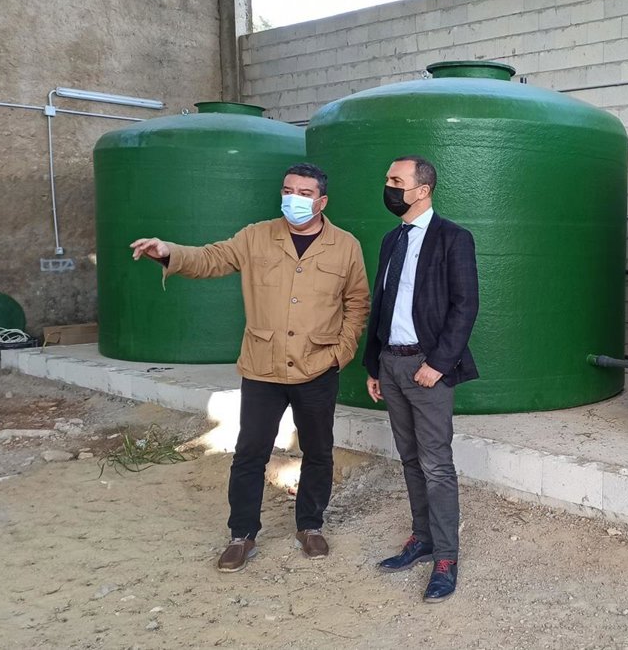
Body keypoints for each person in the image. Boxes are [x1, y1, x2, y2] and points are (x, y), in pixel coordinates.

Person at [129, 162, 370, 572]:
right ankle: (241, 535)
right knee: (249, 453)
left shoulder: (345, 245)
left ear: (322, 201)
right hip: (263, 367)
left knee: (318, 452)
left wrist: (340, 352)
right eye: (288, 190)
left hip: (317, 366)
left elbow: (357, 302)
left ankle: (310, 525)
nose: (294, 199)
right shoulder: (256, 236)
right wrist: (170, 251)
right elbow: (212, 258)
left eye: (305, 193)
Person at [364, 156, 479, 603]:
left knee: (436, 464)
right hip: (391, 365)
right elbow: (382, 304)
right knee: (410, 458)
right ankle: (422, 538)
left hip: (427, 368)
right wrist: (373, 365)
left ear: (422, 190)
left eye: (397, 180)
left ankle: (446, 558)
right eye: (387, 179)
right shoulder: (391, 239)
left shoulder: (453, 238)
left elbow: (465, 305)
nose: (389, 187)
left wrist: (439, 363)